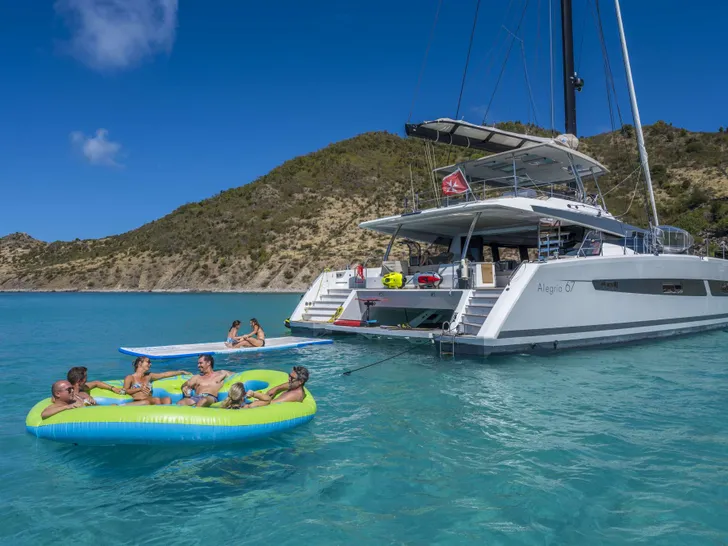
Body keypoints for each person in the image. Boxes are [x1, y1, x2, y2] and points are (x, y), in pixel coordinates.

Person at [123, 357, 191, 405]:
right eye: (148, 362)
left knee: (167, 399)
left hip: (150, 400)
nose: (150, 364)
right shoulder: (130, 377)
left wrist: (180, 372)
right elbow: (125, 391)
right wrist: (139, 389)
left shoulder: (149, 376)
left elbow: (164, 374)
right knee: (149, 402)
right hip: (139, 401)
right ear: (140, 363)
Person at [242, 366, 310, 408]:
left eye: (292, 378)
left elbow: (270, 403)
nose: (289, 379)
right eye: (289, 376)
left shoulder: (294, 395)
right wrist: (276, 389)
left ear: (300, 381)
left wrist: (255, 397)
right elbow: (285, 385)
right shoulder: (294, 385)